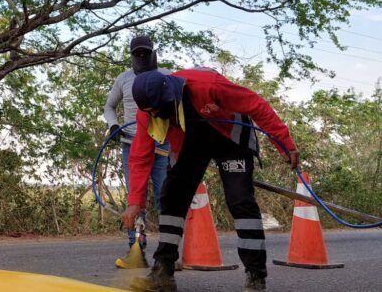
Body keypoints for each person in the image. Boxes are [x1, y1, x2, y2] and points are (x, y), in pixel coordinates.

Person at [121, 69, 299, 292]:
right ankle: (163, 271)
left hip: (229, 136)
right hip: (189, 141)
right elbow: (140, 157)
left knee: (239, 198)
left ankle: (255, 276)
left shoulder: (207, 85)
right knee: (172, 196)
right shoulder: (147, 113)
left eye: (161, 109)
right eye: (153, 112)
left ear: (170, 95)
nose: (158, 114)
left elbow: (256, 104)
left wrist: (285, 143)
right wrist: (135, 201)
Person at [102, 35, 170, 267]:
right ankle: (136, 252)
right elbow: (109, 106)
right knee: (135, 199)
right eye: (137, 53)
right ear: (131, 55)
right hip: (132, 144)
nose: (141, 57)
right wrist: (113, 125)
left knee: (166, 198)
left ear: (153, 53)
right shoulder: (124, 79)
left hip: (162, 145)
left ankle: (169, 254)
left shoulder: (167, 76)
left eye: (145, 52)